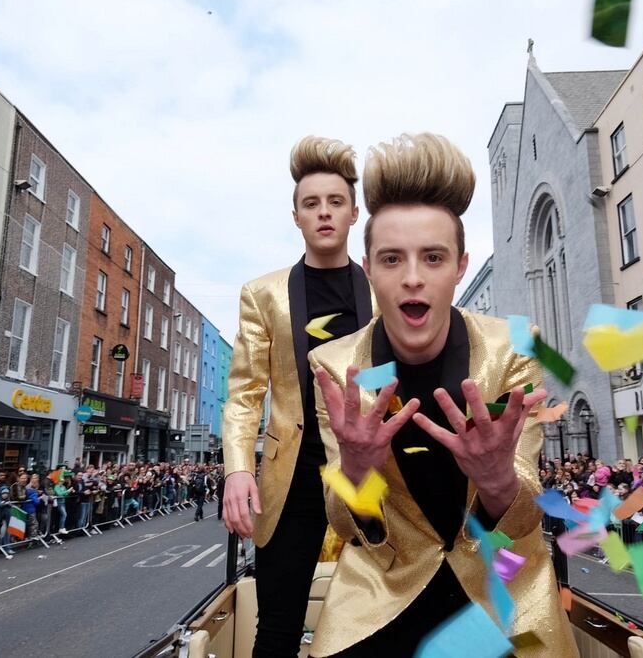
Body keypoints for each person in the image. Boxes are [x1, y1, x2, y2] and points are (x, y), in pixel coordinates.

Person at [309, 133, 571, 656]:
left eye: (432, 258)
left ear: (460, 266)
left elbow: (524, 519)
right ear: (368, 272)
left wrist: (498, 478)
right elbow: (348, 526)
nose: (412, 279)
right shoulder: (334, 367)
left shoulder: (516, 351)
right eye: (391, 259)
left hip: (503, 588)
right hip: (383, 589)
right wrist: (357, 470)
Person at [221, 136, 375, 658]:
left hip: (370, 479)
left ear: (355, 213)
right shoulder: (262, 294)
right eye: (312, 204)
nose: (324, 212)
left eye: (335, 202)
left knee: (378, 625)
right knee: (278, 629)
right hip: (290, 483)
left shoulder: (385, 289)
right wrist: (238, 469)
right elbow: (245, 394)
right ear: (296, 216)